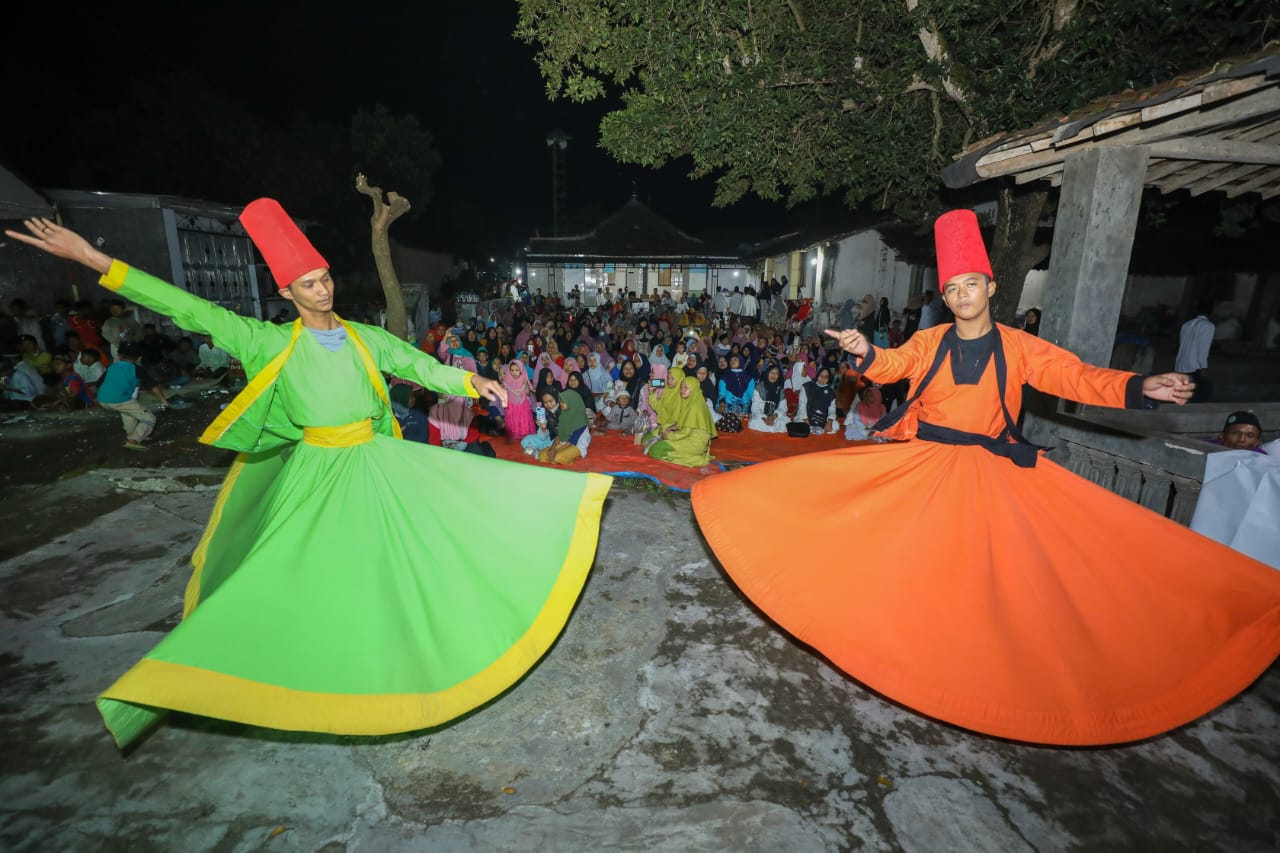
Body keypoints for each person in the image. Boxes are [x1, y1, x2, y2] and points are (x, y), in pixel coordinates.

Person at [6, 204, 611, 750]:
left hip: (374, 461)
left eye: (323, 279)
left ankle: (403, 657)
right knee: (286, 576)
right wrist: (94, 260)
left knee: (416, 551)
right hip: (317, 474)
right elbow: (187, 308)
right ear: (286, 291)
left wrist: (467, 381)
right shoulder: (265, 341)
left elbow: (415, 364)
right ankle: (208, 673)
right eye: (308, 283)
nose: (321, 290)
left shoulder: (363, 337)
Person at [690, 207, 1280, 747]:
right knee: (868, 536)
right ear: (945, 297)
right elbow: (895, 366)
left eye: (971, 284)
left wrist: (1138, 386)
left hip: (987, 472)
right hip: (923, 460)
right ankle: (888, 648)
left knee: (990, 576)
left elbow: (1075, 379)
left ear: (990, 289)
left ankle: (962, 673)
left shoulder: (1021, 347)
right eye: (951, 287)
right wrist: (864, 352)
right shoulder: (930, 339)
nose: (962, 294)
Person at [642, 368, 717, 467]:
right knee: (645, 440)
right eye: (681, 387)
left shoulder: (693, 405)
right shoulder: (688, 400)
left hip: (691, 440)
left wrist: (668, 436)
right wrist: (652, 393)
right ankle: (673, 448)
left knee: (655, 450)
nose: (682, 390)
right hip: (680, 431)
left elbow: (686, 431)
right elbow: (682, 422)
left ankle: (698, 460)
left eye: (672, 379)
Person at [96, 341, 161, 450]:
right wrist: (164, 400)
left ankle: (132, 434)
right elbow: (153, 385)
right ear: (139, 358)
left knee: (128, 411)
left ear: (119, 356)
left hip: (102, 399)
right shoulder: (136, 369)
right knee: (149, 418)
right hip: (119, 399)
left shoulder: (112, 367)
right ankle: (132, 441)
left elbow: (99, 383)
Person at [1175, 301, 1215, 402]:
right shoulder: (1208, 326)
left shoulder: (1187, 324)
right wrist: (1203, 366)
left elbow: (1181, 343)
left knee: (1184, 388)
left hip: (1180, 363)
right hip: (1193, 365)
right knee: (1199, 390)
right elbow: (1203, 348)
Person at [747, 363, 788, 433]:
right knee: (755, 422)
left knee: (783, 423)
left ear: (779, 376)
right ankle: (769, 426)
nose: (774, 375)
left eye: (776, 373)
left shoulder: (780, 389)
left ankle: (770, 426)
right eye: (771, 373)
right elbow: (755, 407)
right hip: (761, 416)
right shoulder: (760, 387)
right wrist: (764, 418)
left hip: (775, 417)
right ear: (767, 373)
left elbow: (783, 407)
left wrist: (774, 416)